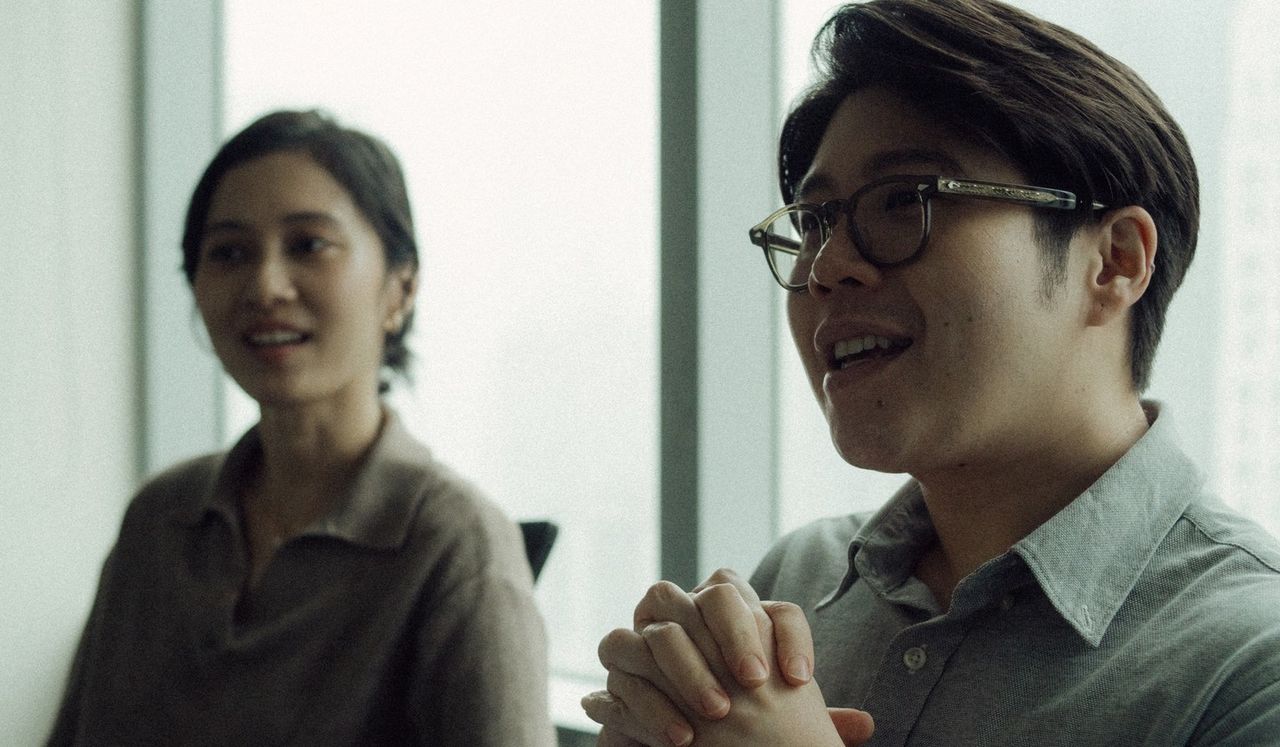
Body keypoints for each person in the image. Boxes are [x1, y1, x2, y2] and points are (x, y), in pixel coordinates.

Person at [583, 1, 1280, 745]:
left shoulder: (1249, 663)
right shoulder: (799, 579)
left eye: (903, 201)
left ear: (1114, 262)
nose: (827, 266)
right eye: (814, 222)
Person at [48, 110, 555, 745]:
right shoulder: (161, 518)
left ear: (400, 289)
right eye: (229, 253)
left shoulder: (457, 543)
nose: (265, 286)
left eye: (309, 245)